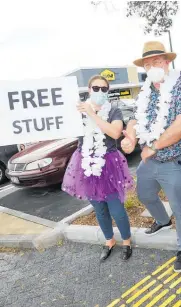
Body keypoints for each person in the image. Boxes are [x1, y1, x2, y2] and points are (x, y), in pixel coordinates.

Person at [121, 41, 181, 273]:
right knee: (144, 194)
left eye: (156, 61)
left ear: (167, 62)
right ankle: (163, 221)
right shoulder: (146, 92)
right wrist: (131, 138)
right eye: (147, 63)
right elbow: (134, 119)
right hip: (150, 160)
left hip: (175, 160)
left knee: (179, 205)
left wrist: (152, 147)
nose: (152, 66)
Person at [62, 75, 134, 261]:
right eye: (96, 88)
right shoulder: (78, 111)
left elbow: (115, 132)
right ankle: (109, 240)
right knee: (100, 209)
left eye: (104, 89)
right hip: (86, 165)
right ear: (89, 89)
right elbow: (63, 126)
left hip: (109, 165)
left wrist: (92, 114)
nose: (100, 92)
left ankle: (126, 241)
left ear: (107, 91)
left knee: (116, 209)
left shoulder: (113, 111)